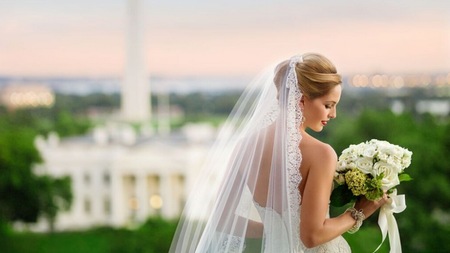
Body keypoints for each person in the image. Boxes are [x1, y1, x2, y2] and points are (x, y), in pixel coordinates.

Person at [169, 53, 387, 253]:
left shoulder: (245, 147)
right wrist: (359, 212)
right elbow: (312, 236)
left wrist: (276, 232)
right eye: (328, 105)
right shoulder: (321, 154)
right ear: (301, 100)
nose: (334, 114)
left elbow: (222, 218)